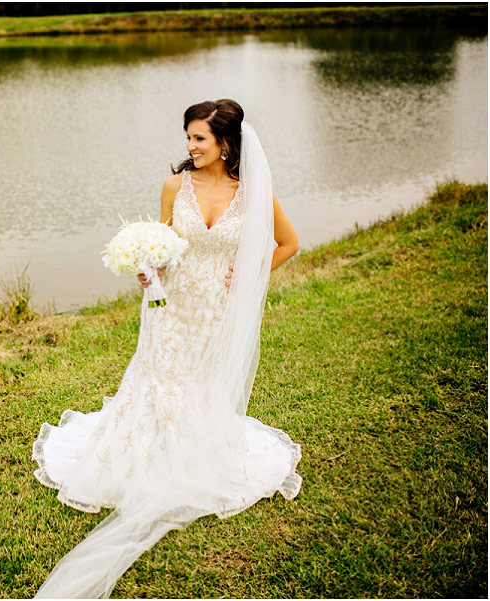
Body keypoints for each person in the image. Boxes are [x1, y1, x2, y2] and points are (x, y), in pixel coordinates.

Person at [31, 99, 303, 598]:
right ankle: (144, 457)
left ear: (225, 142)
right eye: (188, 137)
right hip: (170, 306)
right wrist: (146, 268)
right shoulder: (175, 186)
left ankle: (196, 453)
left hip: (217, 311)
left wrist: (248, 274)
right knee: (156, 377)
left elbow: (288, 244)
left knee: (201, 383)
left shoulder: (254, 193)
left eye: (199, 138)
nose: (190, 146)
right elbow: (162, 243)